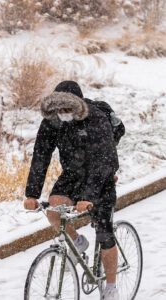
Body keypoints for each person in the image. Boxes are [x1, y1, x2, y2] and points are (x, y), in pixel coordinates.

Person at [24, 81, 125, 300]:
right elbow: (41, 157)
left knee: (104, 233)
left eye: (68, 109)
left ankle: (110, 287)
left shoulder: (96, 119)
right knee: (53, 210)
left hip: (101, 176)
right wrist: (31, 194)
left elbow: (104, 161)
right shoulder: (52, 123)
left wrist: (88, 196)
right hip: (73, 173)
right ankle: (77, 242)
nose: (64, 113)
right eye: (59, 109)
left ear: (78, 106)